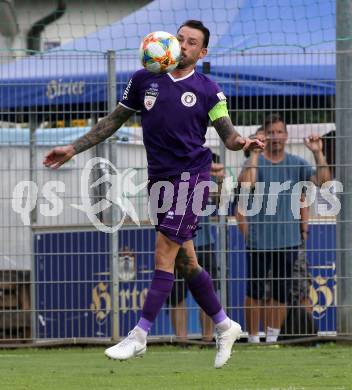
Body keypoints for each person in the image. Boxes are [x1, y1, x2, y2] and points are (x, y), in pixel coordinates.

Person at [43, 20, 264, 368]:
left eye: (192, 43)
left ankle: (139, 335)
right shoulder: (144, 78)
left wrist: (243, 142)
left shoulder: (208, 89)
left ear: (202, 52)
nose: (184, 45)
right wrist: (72, 148)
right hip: (159, 180)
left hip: (192, 179)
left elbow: (228, 135)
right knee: (187, 262)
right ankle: (225, 325)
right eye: (180, 39)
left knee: (163, 253)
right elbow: (113, 120)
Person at [237, 113, 330, 343]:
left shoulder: (297, 163)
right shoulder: (254, 162)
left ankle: (272, 338)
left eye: (279, 132)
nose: (275, 137)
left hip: (288, 240)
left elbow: (325, 181)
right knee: (255, 293)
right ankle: (252, 338)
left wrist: (318, 152)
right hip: (259, 241)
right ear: (264, 136)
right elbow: (247, 184)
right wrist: (255, 154)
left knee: (280, 292)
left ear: (287, 136)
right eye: (270, 133)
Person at [169, 159, 224, 342]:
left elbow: (220, 201)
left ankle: (208, 339)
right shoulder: (170, 170)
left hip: (205, 243)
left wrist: (221, 180)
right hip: (177, 243)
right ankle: (181, 340)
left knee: (207, 292)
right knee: (177, 296)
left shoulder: (207, 172)